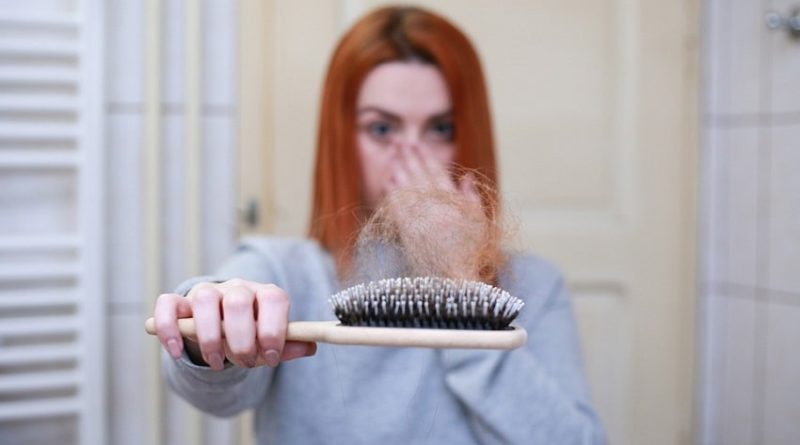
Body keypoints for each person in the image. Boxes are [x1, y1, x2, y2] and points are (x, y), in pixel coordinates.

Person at [154, 5, 606, 444]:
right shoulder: (286, 271)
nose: (415, 157)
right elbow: (213, 385)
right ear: (342, 137)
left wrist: (461, 285)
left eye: (441, 129)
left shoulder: (535, 287)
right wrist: (211, 326)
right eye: (383, 130)